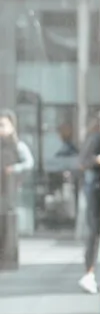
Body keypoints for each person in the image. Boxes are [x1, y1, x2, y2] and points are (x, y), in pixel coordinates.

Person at [0, 110, 34, 269]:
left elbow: (29, 163)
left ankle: (8, 261)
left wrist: (14, 168)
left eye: (3, 125)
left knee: (8, 225)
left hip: (8, 192)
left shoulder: (18, 145)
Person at [78, 113, 100, 294]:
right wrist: (97, 160)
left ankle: (90, 273)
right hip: (96, 190)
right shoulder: (96, 137)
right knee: (94, 230)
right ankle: (89, 273)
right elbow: (83, 162)